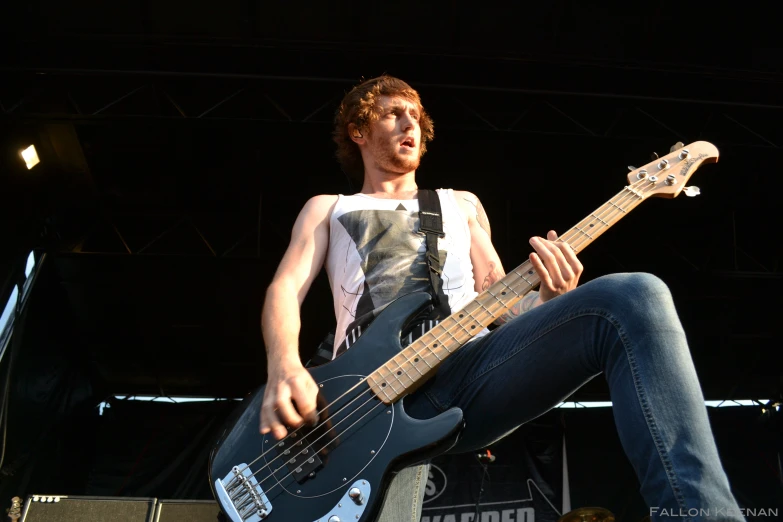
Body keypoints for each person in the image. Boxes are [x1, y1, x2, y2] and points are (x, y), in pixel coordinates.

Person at [258, 75, 744, 521]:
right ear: (358, 132)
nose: (411, 122)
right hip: (366, 397)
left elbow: (502, 302)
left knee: (635, 295)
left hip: (468, 371)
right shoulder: (330, 208)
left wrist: (553, 298)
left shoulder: (460, 204)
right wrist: (284, 367)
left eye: (416, 115)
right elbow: (285, 287)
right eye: (393, 113)